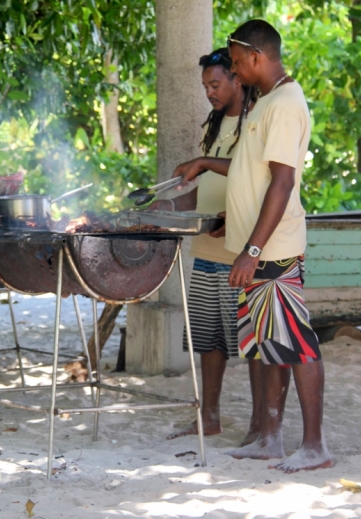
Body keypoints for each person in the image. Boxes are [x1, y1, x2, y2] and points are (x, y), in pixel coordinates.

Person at [174, 19, 333, 473]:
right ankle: (269, 438)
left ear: (258, 57)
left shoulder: (285, 103)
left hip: (275, 250)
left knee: (297, 343)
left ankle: (315, 446)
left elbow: (282, 183)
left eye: (239, 63)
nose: (236, 72)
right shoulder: (266, 102)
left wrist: (254, 250)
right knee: (268, 345)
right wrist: (232, 213)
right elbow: (252, 173)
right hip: (256, 245)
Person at [159, 48, 260, 443]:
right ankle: (210, 417)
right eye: (205, 87)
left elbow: (257, 175)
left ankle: (259, 425)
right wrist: (164, 209)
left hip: (243, 251)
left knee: (252, 344)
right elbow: (204, 193)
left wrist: (202, 161)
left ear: (238, 78)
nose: (210, 93)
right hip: (207, 249)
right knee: (208, 339)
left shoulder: (256, 121)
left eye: (215, 84)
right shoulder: (215, 125)